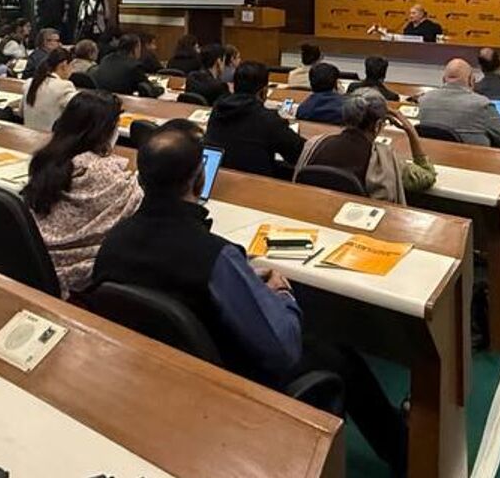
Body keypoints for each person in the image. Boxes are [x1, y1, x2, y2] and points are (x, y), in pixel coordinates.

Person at [89, 128, 408, 470]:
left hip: (158, 375)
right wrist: (282, 293)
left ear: (141, 180)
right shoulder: (216, 257)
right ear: (199, 179)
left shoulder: (113, 242)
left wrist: (240, 279)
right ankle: (404, 453)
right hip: (232, 380)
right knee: (341, 357)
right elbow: (283, 348)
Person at [21, 90, 143, 296]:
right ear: (106, 131)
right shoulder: (104, 173)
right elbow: (138, 203)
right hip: (77, 279)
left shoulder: (47, 159)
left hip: (36, 262)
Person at [297, 89, 433, 204]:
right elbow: (427, 177)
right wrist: (410, 130)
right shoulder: (385, 161)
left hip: (313, 209)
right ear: (378, 125)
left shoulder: (315, 144)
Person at [206, 61, 306, 178]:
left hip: (217, 177)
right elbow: (299, 153)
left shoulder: (217, 109)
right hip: (255, 182)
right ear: (263, 91)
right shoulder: (268, 120)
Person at [415, 58, 500, 147]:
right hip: (475, 161)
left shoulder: (424, 100)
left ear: (443, 80)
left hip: (435, 159)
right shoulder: (481, 105)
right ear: (472, 80)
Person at [21, 47, 78, 132]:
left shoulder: (29, 83)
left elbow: (21, 113)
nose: (73, 70)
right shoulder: (65, 86)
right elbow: (78, 113)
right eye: (72, 66)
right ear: (64, 65)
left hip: (28, 135)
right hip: (50, 137)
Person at [92, 34, 162, 97]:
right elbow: (150, 90)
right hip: (120, 101)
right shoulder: (134, 66)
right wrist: (161, 89)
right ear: (135, 48)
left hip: (100, 98)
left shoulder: (106, 58)